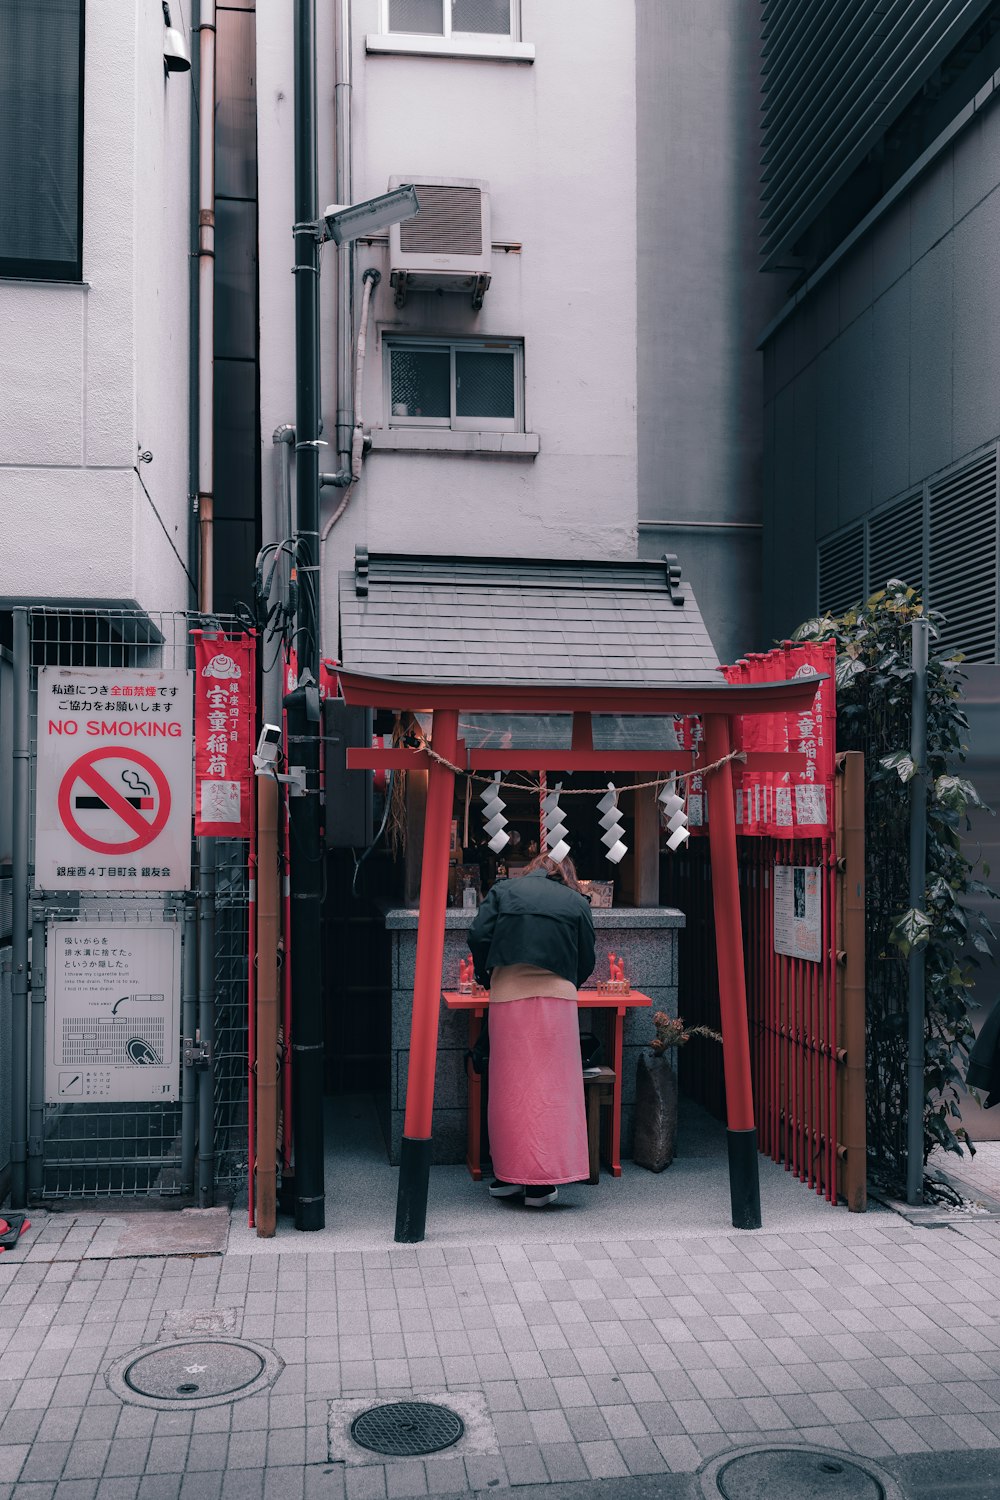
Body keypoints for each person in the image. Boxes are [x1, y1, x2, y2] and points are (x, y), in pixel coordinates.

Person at [467, 852, 595, 1207]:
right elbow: (587, 956)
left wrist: (485, 974)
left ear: (532, 870)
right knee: (554, 1092)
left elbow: (478, 934)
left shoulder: (504, 890)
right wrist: (569, 982)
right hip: (558, 1001)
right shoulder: (575, 901)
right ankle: (541, 1184)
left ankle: (508, 1174)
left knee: (510, 1089)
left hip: (507, 996)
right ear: (565, 874)